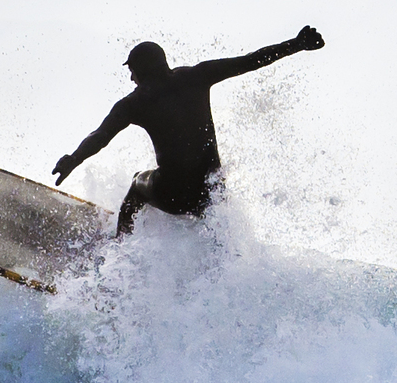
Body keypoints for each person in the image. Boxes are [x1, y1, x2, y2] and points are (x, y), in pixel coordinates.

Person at [52, 26, 326, 236]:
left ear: (140, 71)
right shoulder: (197, 76)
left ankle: (119, 247)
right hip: (212, 197)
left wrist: (72, 160)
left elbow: (99, 137)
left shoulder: (134, 103)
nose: (131, 78)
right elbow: (250, 61)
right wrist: (296, 44)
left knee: (137, 184)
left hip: (173, 196)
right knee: (213, 193)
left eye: (132, 71)